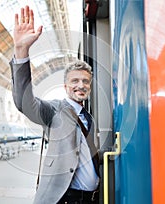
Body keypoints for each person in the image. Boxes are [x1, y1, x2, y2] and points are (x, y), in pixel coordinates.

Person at [10, 5, 100, 204]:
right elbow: (24, 104)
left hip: (91, 199)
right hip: (64, 198)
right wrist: (21, 51)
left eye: (85, 81)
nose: (81, 85)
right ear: (66, 86)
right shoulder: (53, 110)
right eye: (75, 81)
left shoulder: (89, 118)